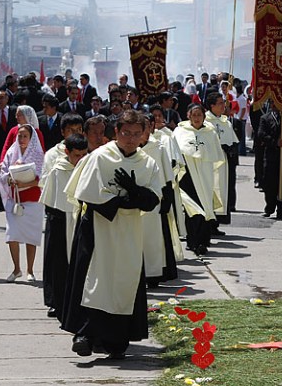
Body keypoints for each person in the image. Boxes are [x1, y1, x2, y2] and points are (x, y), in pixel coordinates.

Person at [62, 110, 163, 359]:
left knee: (123, 282)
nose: (130, 139)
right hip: (98, 228)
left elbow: (153, 200)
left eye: (136, 134)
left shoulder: (148, 163)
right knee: (95, 281)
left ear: (144, 135)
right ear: (116, 132)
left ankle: (116, 340)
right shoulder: (99, 157)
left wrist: (135, 191)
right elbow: (89, 195)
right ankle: (85, 334)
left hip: (129, 231)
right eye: (125, 133)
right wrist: (127, 200)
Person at [40, 134, 88, 320]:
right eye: (77, 155)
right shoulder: (57, 171)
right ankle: (58, 304)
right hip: (60, 220)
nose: (80, 160)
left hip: (81, 221)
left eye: (84, 155)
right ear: (67, 152)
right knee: (58, 265)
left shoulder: (89, 168)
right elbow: (50, 200)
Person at [173, 104, 222, 256]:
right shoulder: (180, 131)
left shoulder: (210, 132)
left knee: (205, 206)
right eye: (193, 115)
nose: (196, 118)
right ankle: (192, 240)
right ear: (188, 116)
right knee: (191, 209)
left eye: (199, 115)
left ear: (204, 117)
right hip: (188, 175)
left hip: (205, 174)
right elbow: (175, 153)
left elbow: (216, 154)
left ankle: (202, 241)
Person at [0, 124, 45, 282]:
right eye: (19, 136)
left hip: (33, 200)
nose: (22, 139)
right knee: (12, 235)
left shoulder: (38, 154)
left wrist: (24, 183)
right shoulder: (12, 152)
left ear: (31, 138)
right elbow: (3, 171)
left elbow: (42, 178)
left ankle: (30, 270)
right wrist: (10, 178)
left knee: (31, 237)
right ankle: (16, 268)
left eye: (25, 136)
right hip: (14, 199)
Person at [141, 121, 181, 287]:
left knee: (155, 239)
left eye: (141, 131)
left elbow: (167, 176)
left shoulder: (158, 148)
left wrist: (167, 199)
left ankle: (154, 274)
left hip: (155, 201)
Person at [256, 103, 282, 220]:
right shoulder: (265, 118)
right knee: (270, 184)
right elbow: (261, 134)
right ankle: (269, 207)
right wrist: (275, 142)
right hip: (271, 157)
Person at [205, 92, 239, 226]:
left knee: (222, 189)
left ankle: (217, 222)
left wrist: (230, 148)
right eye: (220, 103)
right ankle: (209, 223)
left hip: (224, 162)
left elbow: (234, 140)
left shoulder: (225, 121)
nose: (223, 106)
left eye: (223, 103)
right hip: (210, 162)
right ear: (212, 106)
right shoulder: (205, 121)